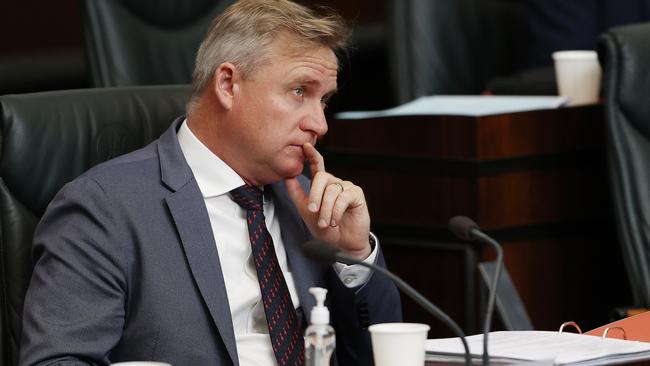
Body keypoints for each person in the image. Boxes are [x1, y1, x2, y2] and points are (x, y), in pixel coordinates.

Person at [18, 1, 401, 365]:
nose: (320, 124)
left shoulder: (310, 202)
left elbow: (377, 358)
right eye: (299, 91)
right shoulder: (104, 208)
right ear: (228, 84)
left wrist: (353, 255)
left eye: (324, 101)